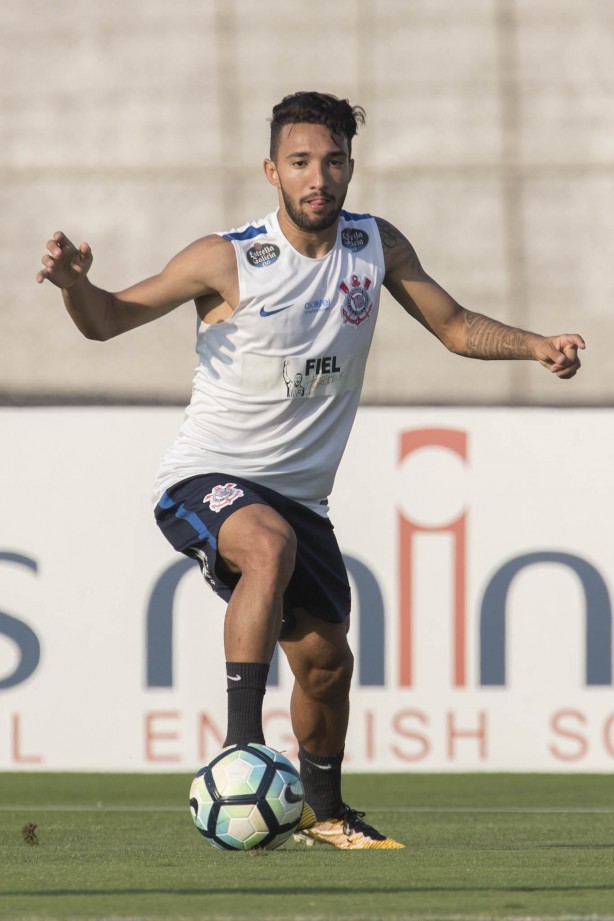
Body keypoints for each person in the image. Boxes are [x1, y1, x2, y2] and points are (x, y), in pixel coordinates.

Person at [37, 91, 585, 850]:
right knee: (265, 544)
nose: (317, 176)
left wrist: (534, 345)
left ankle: (326, 814)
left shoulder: (375, 245)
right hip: (206, 477)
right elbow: (106, 320)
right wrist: (73, 285)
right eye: (300, 162)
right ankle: (238, 748)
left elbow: (456, 328)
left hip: (301, 500)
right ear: (272, 170)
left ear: (350, 167)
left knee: (327, 665)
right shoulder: (224, 258)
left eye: (331, 161)